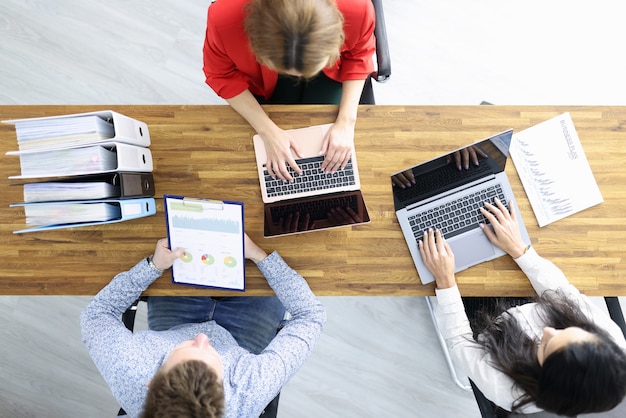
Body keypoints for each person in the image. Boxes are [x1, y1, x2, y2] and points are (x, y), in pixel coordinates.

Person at [81, 234, 326, 417]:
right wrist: (259, 256)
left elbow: (97, 314)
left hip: (177, 320)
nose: (202, 338)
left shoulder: (130, 368)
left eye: (185, 348)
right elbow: (310, 315)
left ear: (152, 382)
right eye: (210, 354)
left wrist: (153, 266)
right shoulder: (249, 390)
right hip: (241, 336)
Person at [420, 198, 626, 416]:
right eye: (566, 331)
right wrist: (520, 249)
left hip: (488, 325)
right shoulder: (610, 342)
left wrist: (445, 280)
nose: (547, 331)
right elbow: (562, 291)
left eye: (546, 346)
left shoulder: (505, 389)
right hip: (535, 297)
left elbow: (458, 340)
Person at [203, 0, 375, 182]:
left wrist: (347, 122)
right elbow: (221, 74)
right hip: (263, 82)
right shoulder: (224, 18)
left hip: (332, 75)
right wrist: (267, 131)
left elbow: (359, 55)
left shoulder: (358, 8)